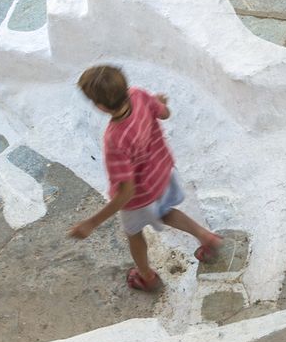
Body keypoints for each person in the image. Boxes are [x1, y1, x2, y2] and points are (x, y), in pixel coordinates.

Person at [69, 64, 221, 291]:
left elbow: (126, 191)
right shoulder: (138, 95)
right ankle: (206, 237)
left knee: (134, 234)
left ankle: (146, 276)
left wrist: (92, 222)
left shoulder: (114, 140)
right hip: (163, 174)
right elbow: (164, 113)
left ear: (100, 107)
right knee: (165, 212)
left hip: (140, 197)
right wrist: (160, 103)